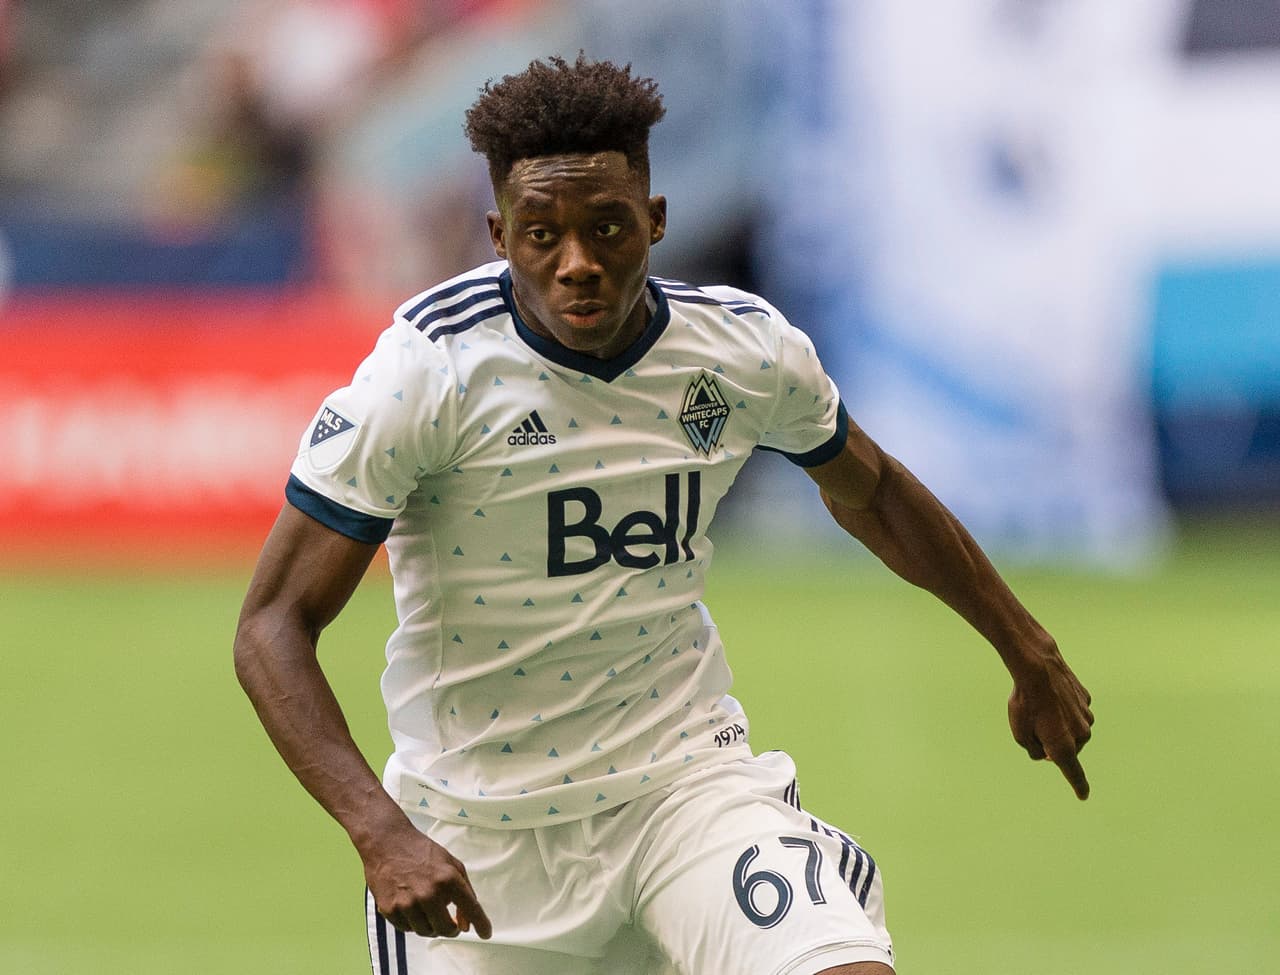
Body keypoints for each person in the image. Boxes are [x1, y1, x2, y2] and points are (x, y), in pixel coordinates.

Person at [233, 54, 1094, 975]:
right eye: (541, 235)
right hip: (478, 843)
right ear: (498, 234)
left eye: (608, 228)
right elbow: (272, 624)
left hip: (683, 794)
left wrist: (1027, 647)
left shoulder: (740, 351)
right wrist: (379, 831)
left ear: (656, 220)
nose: (577, 265)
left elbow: (873, 490)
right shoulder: (426, 377)